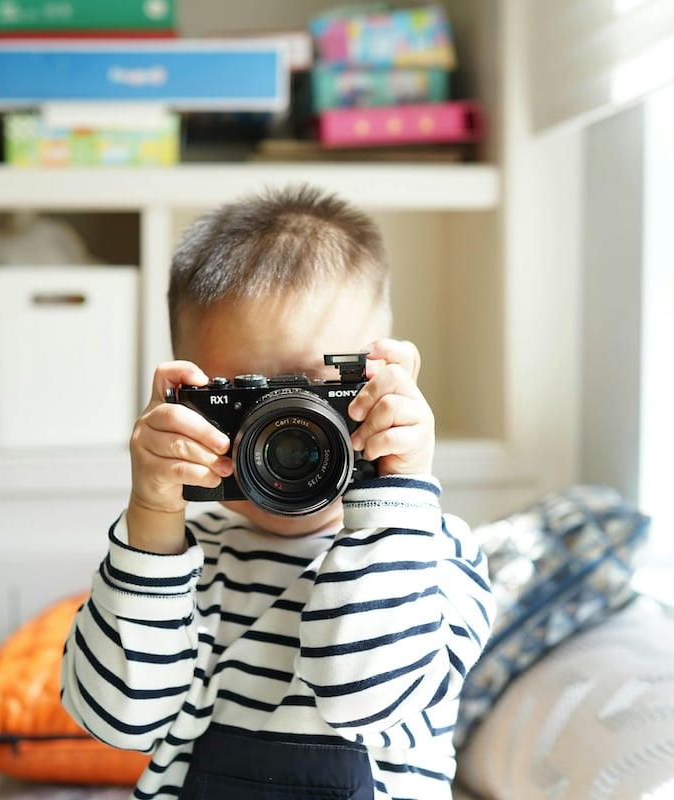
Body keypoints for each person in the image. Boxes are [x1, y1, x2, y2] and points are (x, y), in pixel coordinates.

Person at [60, 184, 494, 799]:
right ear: (190, 397)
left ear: (385, 383)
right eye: (248, 401)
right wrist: (153, 517)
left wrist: (394, 490)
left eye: (317, 395)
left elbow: (365, 697)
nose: (286, 436)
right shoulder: (176, 561)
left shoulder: (436, 553)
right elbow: (115, 720)